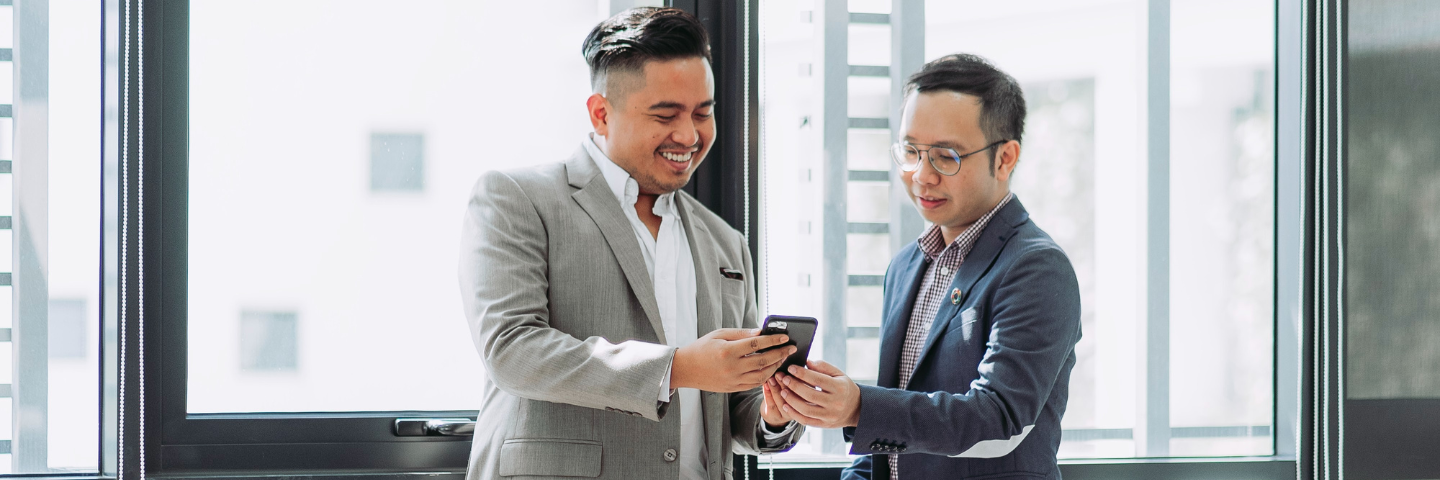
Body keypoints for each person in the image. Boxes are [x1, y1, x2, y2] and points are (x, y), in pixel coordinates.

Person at [457, 7, 803, 480]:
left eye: (704, 112)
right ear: (601, 113)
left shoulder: (726, 242)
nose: (689, 135)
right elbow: (512, 350)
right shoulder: (516, 199)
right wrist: (678, 368)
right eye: (666, 115)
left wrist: (775, 410)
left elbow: (733, 412)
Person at [769, 54, 1083, 480]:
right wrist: (856, 417)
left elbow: (997, 416)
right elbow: (888, 442)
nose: (921, 175)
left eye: (946, 156)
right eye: (911, 151)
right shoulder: (905, 266)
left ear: (1005, 158)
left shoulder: (1038, 268)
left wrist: (859, 405)